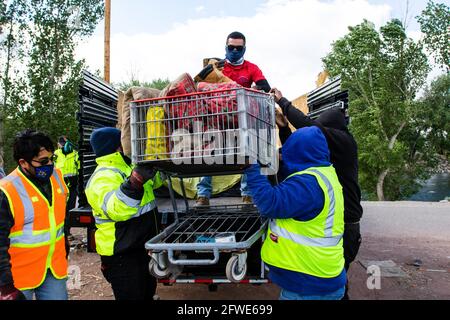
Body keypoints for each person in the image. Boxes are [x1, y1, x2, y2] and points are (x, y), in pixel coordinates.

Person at [272, 88, 363, 299]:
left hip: (346, 225)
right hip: (338, 223)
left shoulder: (345, 143)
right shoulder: (329, 152)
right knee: (331, 280)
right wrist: (284, 129)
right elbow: (300, 152)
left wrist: (283, 102)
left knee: (334, 280)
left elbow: (310, 128)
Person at [245, 126, 346, 300]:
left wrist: (251, 166)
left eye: (288, 153)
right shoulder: (324, 173)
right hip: (320, 276)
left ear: (300, 153)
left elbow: (270, 203)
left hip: (309, 285)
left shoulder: (309, 184)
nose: (284, 157)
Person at [85, 127, 163, 300]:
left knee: (146, 293)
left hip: (139, 248)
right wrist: (135, 182)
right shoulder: (103, 176)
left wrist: (158, 166)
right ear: (118, 146)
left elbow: (154, 184)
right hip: (121, 254)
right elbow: (118, 209)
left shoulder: (128, 167)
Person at [196, 31, 271, 207]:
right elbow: (198, 84)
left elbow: (264, 86)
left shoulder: (251, 68)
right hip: (217, 119)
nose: (234, 51)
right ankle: (203, 195)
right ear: (225, 48)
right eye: (231, 47)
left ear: (244, 49)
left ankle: (247, 194)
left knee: (248, 150)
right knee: (208, 150)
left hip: (242, 120)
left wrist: (247, 89)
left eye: (238, 48)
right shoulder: (218, 67)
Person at [0, 129, 69, 300]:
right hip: (18, 276)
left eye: (52, 159)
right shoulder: (7, 190)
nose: (50, 165)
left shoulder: (56, 177)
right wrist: (6, 286)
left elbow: (59, 217)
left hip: (54, 267)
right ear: (23, 163)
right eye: (43, 161)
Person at [54, 136, 80, 239]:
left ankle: (67, 232)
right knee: (60, 210)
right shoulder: (56, 154)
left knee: (70, 209)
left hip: (72, 186)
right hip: (59, 187)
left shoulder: (75, 154)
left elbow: (79, 169)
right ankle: (60, 232)